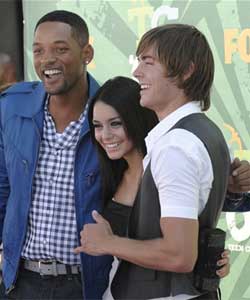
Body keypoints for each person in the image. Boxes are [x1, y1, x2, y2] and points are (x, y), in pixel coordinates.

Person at [75, 24, 233, 300]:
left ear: (186, 71)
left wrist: (108, 242)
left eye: (148, 62)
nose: (137, 72)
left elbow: (179, 255)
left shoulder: (176, 146)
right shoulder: (204, 133)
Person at [0, 10, 114, 300]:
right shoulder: (13, 108)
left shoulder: (114, 112)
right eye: (38, 50)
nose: (46, 60)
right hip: (20, 283)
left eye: (60, 49)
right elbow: (2, 188)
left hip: (86, 285)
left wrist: (233, 192)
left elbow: (152, 182)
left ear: (86, 53)